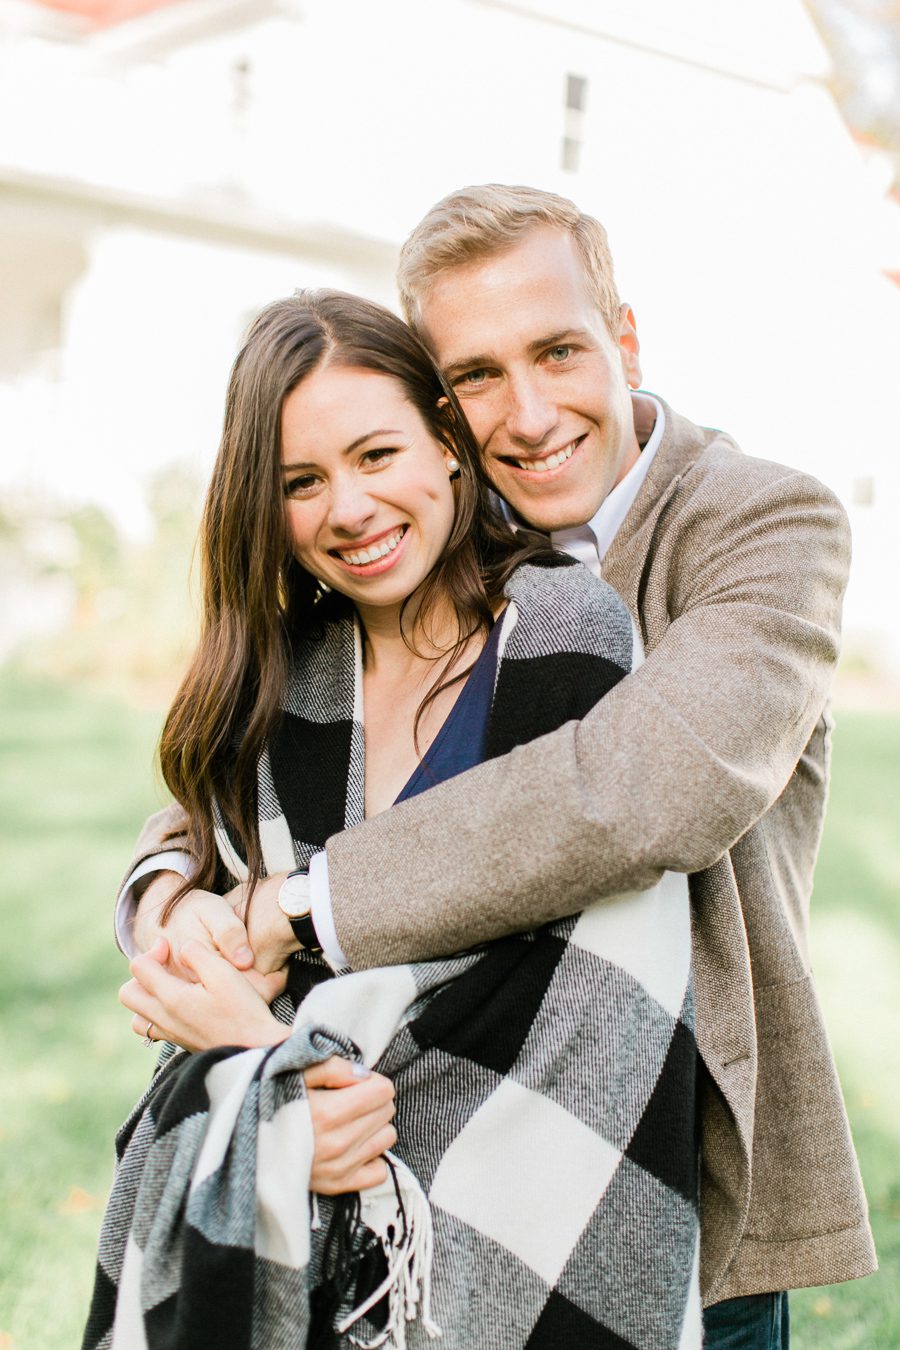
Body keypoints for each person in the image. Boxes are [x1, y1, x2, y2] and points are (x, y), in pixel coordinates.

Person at [118, 186, 877, 1348]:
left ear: (624, 338)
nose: (527, 414)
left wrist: (301, 909)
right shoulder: (423, 558)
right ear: (439, 404)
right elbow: (228, 795)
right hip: (402, 1171)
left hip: (653, 1154)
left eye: (560, 352)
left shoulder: (760, 523)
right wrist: (176, 912)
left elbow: (648, 787)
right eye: (477, 376)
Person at [86, 289, 701, 1350]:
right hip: (320, 1251)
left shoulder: (561, 632)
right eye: (302, 483)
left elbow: (520, 938)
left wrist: (255, 1050)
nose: (349, 509)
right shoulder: (286, 672)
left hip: (539, 1201)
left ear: (447, 446)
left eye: (377, 455)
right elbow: (197, 839)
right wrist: (166, 907)